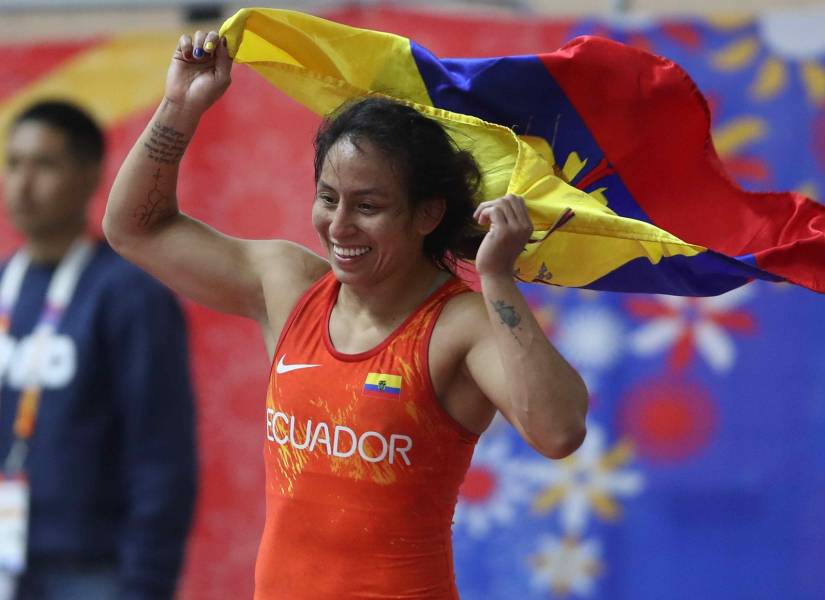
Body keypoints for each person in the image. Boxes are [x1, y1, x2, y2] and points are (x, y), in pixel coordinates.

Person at [104, 30, 588, 599]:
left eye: (369, 206)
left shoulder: (458, 326)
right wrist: (179, 107)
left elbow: (558, 431)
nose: (339, 227)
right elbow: (137, 228)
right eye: (328, 198)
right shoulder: (286, 288)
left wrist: (498, 277)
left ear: (428, 214)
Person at [1, 100, 198, 600]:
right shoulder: (5, 284)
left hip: (94, 568)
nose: (23, 185)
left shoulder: (131, 294)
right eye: (13, 163)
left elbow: (162, 452)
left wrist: (146, 582)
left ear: (92, 176)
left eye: (44, 165)